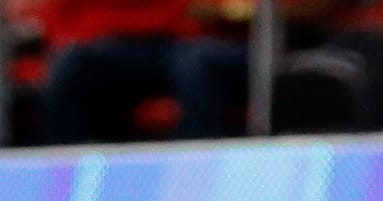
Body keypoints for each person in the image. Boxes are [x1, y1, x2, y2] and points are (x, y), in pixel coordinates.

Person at [38, 0, 247, 142]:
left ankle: (199, 172)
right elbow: (59, 23)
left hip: (178, 42)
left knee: (196, 66)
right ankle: (63, 175)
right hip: (101, 45)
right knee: (70, 66)